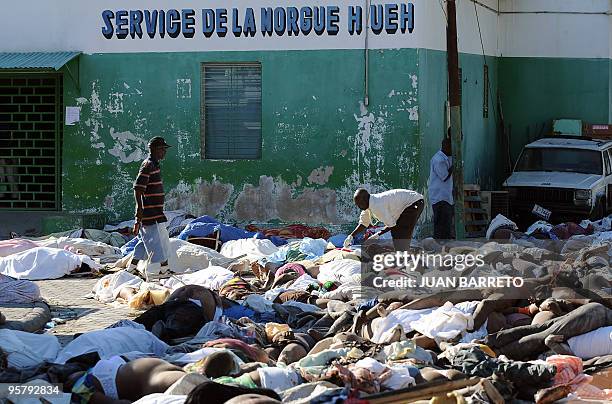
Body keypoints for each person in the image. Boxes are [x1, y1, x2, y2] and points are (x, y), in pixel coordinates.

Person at [132, 137, 172, 274]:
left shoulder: (154, 165)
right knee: (158, 242)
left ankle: (131, 268)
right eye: (162, 149)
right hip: (150, 213)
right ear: (154, 150)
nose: (164, 152)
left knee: (144, 242)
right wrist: (139, 210)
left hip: (155, 211)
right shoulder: (148, 165)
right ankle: (164, 269)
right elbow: (138, 189)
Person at [67, 357, 186, 403]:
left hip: (149, 380)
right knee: (196, 385)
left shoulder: (81, 387)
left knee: (197, 388)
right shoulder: (82, 384)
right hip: (153, 370)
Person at [344, 188, 424, 251]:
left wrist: (378, 234)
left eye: (360, 204)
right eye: (357, 204)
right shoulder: (368, 205)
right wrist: (351, 236)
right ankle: (404, 255)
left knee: (399, 231)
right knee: (398, 233)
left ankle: (404, 258)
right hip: (410, 204)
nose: (359, 207)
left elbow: (392, 225)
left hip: (415, 203)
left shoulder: (377, 206)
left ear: (365, 199)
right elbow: (363, 223)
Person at [429, 135, 454, 239]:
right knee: (441, 225)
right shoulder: (439, 160)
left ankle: (444, 243)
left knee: (446, 224)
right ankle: (439, 244)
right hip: (440, 197)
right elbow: (444, 176)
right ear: (446, 147)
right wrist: (454, 167)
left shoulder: (445, 157)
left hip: (445, 197)